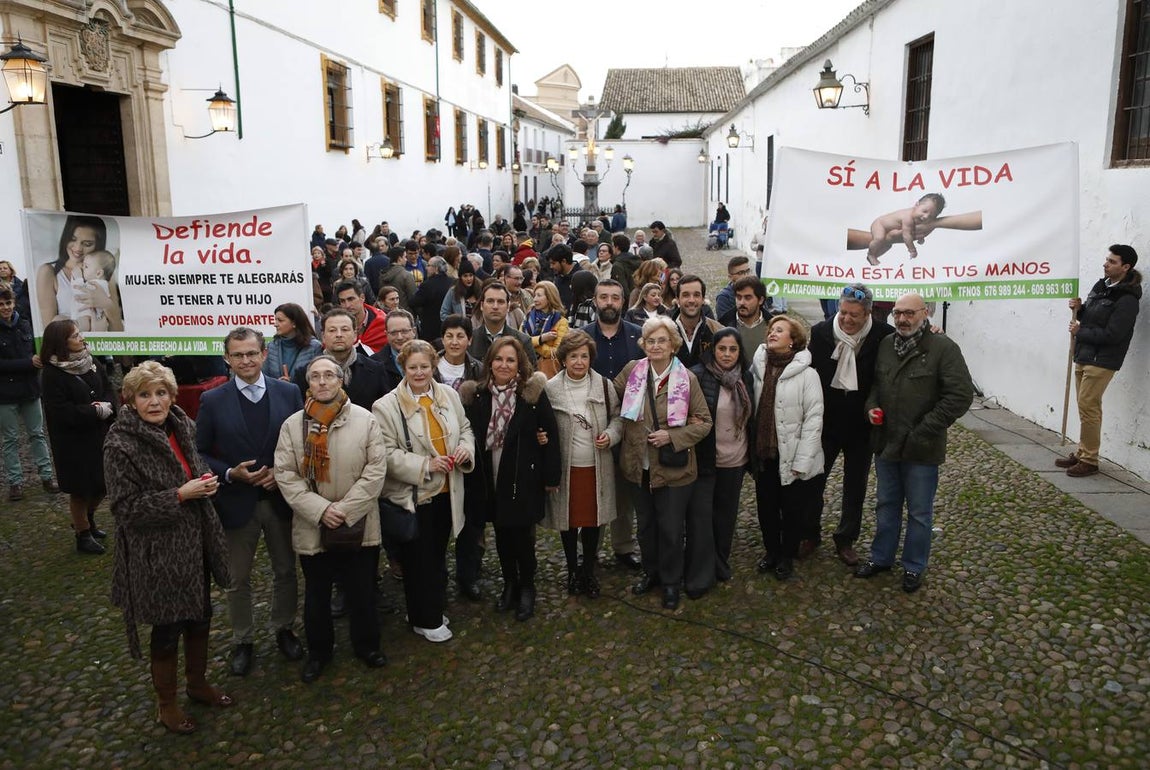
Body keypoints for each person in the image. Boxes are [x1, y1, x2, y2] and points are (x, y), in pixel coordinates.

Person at [104, 360, 233, 734]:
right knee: (166, 630)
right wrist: (179, 495)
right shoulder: (120, 444)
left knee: (200, 617)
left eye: (161, 393)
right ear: (129, 400)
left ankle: (197, 684)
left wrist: (206, 480)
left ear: (172, 396)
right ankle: (167, 704)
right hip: (157, 553)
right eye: (145, 395)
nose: (155, 402)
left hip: (196, 544)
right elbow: (124, 509)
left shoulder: (183, 425)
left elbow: (195, 466)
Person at [196, 327, 305, 677]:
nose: (246, 360)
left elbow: (305, 440)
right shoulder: (212, 401)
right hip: (236, 502)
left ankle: (284, 627)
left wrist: (283, 471)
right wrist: (229, 473)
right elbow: (198, 452)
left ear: (264, 354)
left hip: (280, 499)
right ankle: (243, 639)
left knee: (286, 570)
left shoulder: (288, 392)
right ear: (227, 358)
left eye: (252, 353)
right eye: (238, 355)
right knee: (237, 578)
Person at [274, 355, 389, 682]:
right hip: (313, 525)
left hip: (359, 524)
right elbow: (285, 475)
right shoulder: (293, 425)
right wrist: (322, 510)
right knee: (317, 595)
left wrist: (346, 509)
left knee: (361, 592)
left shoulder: (365, 420)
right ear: (307, 383)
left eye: (329, 375)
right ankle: (319, 653)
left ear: (341, 380)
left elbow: (376, 470)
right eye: (315, 377)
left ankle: (367, 646)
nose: (322, 382)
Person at [856, 293, 973, 593]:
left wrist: (924, 430)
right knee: (886, 504)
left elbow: (960, 396)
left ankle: (913, 565)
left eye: (909, 313)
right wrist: (871, 407)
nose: (903, 319)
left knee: (920, 512)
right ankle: (881, 557)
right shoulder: (885, 345)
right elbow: (875, 386)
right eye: (897, 313)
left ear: (925, 313)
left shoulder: (943, 348)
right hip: (885, 443)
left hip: (922, 447)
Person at [374, 340, 474, 640]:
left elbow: (466, 427)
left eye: (425, 367)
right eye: (413, 367)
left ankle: (427, 607)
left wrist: (465, 451)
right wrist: (424, 465)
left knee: (436, 556)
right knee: (419, 561)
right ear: (402, 368)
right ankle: (425, 620)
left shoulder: (449, 394)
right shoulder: (386, 406)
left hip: (448, 491)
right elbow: (385, 453)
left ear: (434, 367)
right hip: (415, 496)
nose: (419, 373)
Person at [460, 337, 560, 621]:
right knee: (502, 536)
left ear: (520, 365)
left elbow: (550, 435)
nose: (504, 365)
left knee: (523, 538)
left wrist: (551, 476)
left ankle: (527, 586)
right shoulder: (478, 397)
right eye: (499, 359)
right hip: (490, 477)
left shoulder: (531, 396)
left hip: (523, 477)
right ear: (490, 362)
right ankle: (509, 584)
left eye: (511, 360)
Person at [615, 317, 712, 610]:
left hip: (673, 468)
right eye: (650, 341)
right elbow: (608, 395)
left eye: (662, 340)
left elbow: (704, 422)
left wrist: (672, 436)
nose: (656, 346)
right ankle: (652, 573)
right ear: (643, 344)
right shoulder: (633, 371)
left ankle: (671, 582)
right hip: (638, 465)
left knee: (670, 529)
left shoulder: (688, 379)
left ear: (673, 345)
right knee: (645, 526)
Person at [807, 284, 894, 565]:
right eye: (843, 312)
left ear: (868, 313)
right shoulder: (821, 332)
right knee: (814, 480)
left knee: (855, 486)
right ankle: (810, 533)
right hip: (827, 420)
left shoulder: (883, 336)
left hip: (861, 423)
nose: (846, 319)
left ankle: (846, 538)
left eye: (854, 315)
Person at [543, 330, 622, 598]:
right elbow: (542, 423)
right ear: (564, 359)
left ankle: (588, 570)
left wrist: (610, 435)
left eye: (584, 356)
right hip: (567, 468)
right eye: (573, 356)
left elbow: (618, 418)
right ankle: (573, 568)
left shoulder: (603, 385)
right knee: (569, 521)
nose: (579, 362)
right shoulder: (551, 388)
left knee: (592, 521)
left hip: (596, 467)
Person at [750, 315, 825, 581]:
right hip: (764, 452)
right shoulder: (758, 369)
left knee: (792, 510)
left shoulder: (808, 375)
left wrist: (803, 460)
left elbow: (814, 419)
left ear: (793, 341)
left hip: (792, 454)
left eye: (779, 330)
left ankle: (786, 556)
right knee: (766, 507)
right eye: (771, 329)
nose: (772, 333)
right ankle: (771, 551)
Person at [1058, 245, 1143, 477]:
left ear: (1126, 267)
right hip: (1084, 355)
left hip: (1102, 360)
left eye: (1112, 261)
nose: (1106, 264)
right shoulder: (1101, 286)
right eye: (1107, 259)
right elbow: (1094, 317)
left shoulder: (1127, 298)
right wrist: (1080, 309)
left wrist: (1079, 330)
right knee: (1086, 407)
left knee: (1089, 407)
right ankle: (1083, 452)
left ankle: (1090, 460)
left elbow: (1114, 334)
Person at [39, 319, 115, 554]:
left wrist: (110, 406)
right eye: (75, 336)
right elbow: (60, 410)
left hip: (99, 434)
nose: (81, 338)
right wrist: (93, 411)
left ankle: (87, 519)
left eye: (79, 333)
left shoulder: (91, 362)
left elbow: (108, 387)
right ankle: (82, 533)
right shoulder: (52, 374)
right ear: (61, 343)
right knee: (81, 489)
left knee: (103, 483)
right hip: (73, 441)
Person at [584, 279, 644, 570]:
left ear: (623, 302)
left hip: (629, 426)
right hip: (590, 426)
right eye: (604, 297)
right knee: (592, 490)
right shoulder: (581, 338)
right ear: (595, 300)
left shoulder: (638, 337)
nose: (609, 302)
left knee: (624, 491)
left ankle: (623, 547)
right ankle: (590, 549)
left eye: (615, 297)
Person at [691, 328, 754, 584]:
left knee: (726, 516)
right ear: (712, 350)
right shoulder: (698, 376)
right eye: (722, 349)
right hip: (707, 459)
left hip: (735, 459)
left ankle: (721, 561)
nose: (727, 354)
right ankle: (703, 568)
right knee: (703, 518)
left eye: (733, 349)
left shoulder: (745, 378)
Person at [0, 286, 58, 502]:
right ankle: (15, 482)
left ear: (13, 303)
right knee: (11, 439)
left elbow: (38, 349)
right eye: (1, 304)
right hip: (5, 393)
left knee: (38, 434)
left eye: (8, 303)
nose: (5, 308)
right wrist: (28, 363)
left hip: (30, 389)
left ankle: (47, 476)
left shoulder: (25, 324)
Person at [37, 215, 124, 331]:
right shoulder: (49, 272)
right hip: (70, 343)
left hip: (101, 342)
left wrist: (106, 304)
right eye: (73, 239)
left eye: (87, 244)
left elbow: (117, 329)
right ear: (65, 237)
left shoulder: (104, 275)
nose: (78, 248)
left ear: (98, 245)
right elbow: (49, 330)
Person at [468, 281, 537, 365]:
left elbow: (531, 375)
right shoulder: (469, 341)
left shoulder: (523, 341)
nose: (495, 307)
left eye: (500, 302)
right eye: (490, 301)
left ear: (508, 307)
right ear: (482, 306)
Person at [866, 193, 946, 265]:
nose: (925, 217)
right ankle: (871, 254)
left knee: (888, 245)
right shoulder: (907, 217)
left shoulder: (918, 217)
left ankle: (875, 255)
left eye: (931, 216)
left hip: (888, 229)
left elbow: (918, 229)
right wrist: (912, 250)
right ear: (916, 204)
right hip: (880, 224)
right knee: (879, 238)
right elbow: (906, 236)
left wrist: (921, 238)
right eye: (924, 211)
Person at [672, 275, 723, 368]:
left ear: (703, 299)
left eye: (696, 295)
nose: (691, 300)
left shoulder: (717, 331)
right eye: (686, 295)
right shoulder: (665, 331)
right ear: (677, 299)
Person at [264, 303, 322, 382]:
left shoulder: (314, 347)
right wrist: (278, 384)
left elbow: (318, 377)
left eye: (280, 320)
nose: (275, 324)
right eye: (275, 320)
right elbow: (265, 376)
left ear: (294, 323)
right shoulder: (272, 346)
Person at [720, 276, 772, 359]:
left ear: (760, 300)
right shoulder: (722, 325)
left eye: (748, 298)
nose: (742, 302)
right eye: (738, 297)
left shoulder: (772, 325)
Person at [523, 280, 569, 375]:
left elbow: (557, 352)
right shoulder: (528, 316)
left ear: (549, 297)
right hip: (525, 367)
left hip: (547, 371)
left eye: (539, 296)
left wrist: (533, 345)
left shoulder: (561, 321)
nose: (535, 299)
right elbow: (520, 341)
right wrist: (541, 339)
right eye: (534, 295)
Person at [334, 280, 388, 355]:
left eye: (351, 299)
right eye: (342, 301)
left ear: (362, 297)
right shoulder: (334, 325)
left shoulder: (382, 323)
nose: (347, 305)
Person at [435, 315, 484, 391]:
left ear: (470, 340)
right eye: (449, 336)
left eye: (460, 336)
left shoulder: (478, 370)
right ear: (442, 340)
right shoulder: (430, 366)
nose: (454, 342)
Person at [410, 256, 453, 341]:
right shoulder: (453, 282)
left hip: (430, 330)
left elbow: (413, 302)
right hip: (449, 326)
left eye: (429, 265)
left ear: (436, 268)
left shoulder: (427, 285)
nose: (426, 268)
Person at [73, 249, 116, 331]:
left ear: (99, 273)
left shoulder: (96, 284)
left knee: (82, 327)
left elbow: (80, 295)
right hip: (93, 318)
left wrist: (78, 279)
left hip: (88, 317)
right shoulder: (103, 284)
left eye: (86, 266)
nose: (83, 268)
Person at [439, 258, 480, 322]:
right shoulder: (453, 291)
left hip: (478, 330)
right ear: (460, 277)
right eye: (465, 276)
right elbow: (443, 313)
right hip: (460, 329)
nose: (469, 279)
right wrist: (457, 323)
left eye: (471, 275)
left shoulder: (479, 290)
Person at [715, 256, 753, 321]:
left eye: (748, 271)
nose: (746, 275)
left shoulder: (756, 291)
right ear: (730, 277)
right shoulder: (724, 298)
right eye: (741, 273)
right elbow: (725, 324)